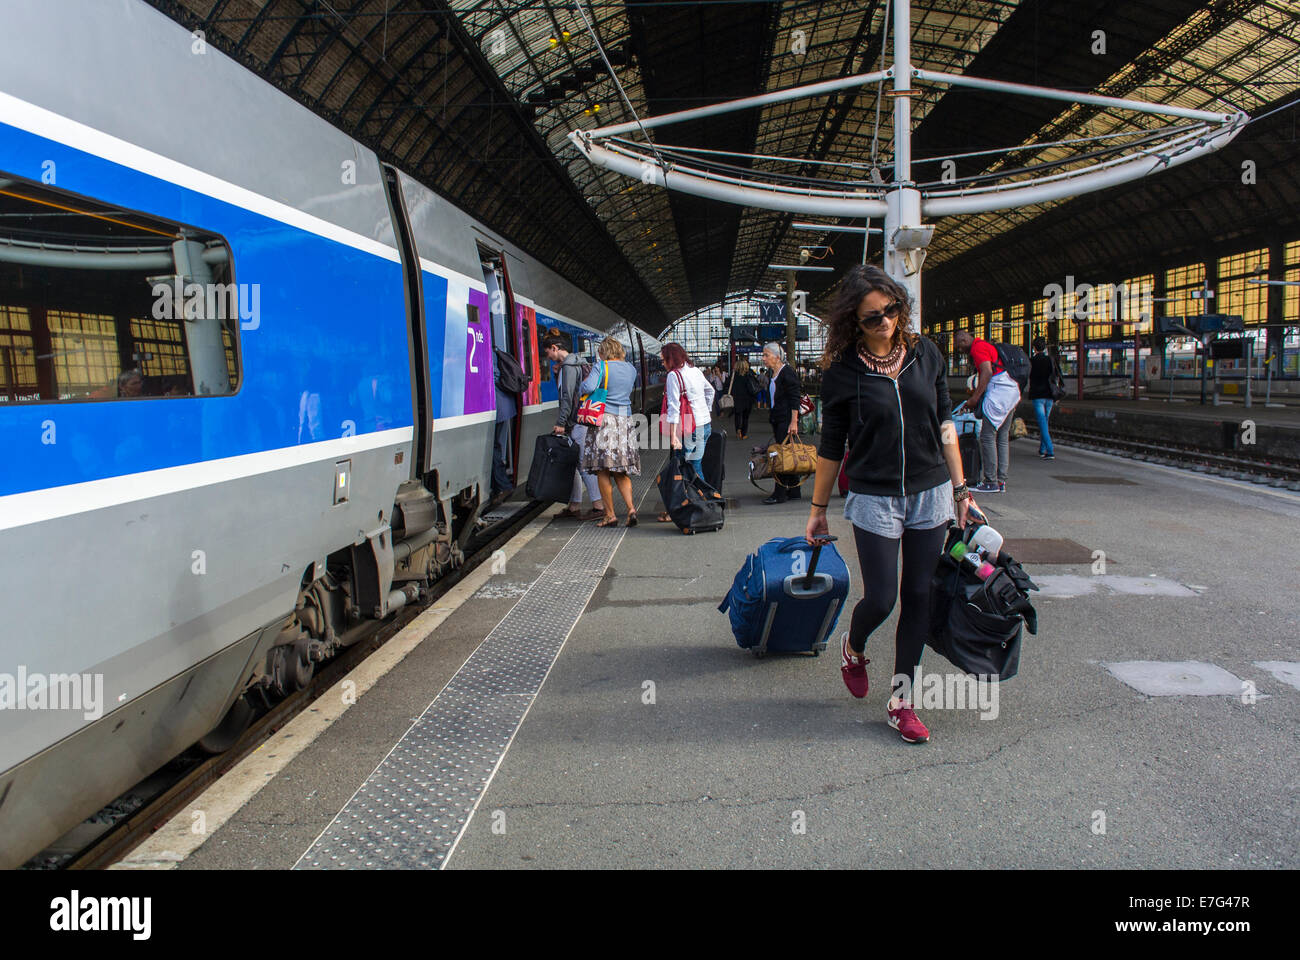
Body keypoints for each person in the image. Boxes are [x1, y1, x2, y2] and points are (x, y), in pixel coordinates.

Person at [806, 264, 980, 745]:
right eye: (872, 317)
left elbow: (945, 424)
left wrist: (962, 490)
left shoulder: (927, 355)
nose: (885, 321)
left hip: (931, 491)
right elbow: (831, 447)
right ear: (853, 324)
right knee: (882, 598)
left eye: (891, 310)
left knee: (919, 597)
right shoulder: (843, 374)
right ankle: (854, 646)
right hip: (874, 495)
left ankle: (903, 702)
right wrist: (818, 509)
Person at [578, 336, 641, 527]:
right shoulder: (631, 369)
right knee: (621, 470)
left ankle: (610, 515)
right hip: (625, 421)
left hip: (604, 421)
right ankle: (631, 509)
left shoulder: (601, 366)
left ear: (603, 351)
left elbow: (588, 387)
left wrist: (581, 387)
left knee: (602, 469)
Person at [544, 332, 605, 520]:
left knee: (582, 463)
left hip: (576, 422)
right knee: (575, 464)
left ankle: (598, 506)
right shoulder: (577, 363)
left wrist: (561, 423)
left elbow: (567, 397)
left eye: (548, 352)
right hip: (581, 419)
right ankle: (574, 505)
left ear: (555, 348)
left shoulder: (569, 367)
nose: (547, 357)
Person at [954, 329, 1021, 493]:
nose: (961, 350)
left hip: (1000, 394)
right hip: (1011, 392)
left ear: (963, 341)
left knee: (987, 436)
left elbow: (987, 372)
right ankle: (1001, 481)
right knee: (1002, 437)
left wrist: (975, 398)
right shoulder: (985, 345)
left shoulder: (978, 348)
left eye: (959, 347)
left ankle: (990, 482)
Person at [655, 342, 714, 523]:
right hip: (704, 423)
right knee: (691, 467)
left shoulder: (674, 375)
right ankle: (685, 507)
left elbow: (674, 409)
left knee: (692, 470)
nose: (662, 363)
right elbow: (710, 391)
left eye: (664, 359)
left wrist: (673, 436)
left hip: (690, 427)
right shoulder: (695, 371)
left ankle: (705, 509)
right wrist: (706, 410)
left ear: (671, 358)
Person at [759, 341, 803, 504]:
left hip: (786, 420)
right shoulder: (774, 373)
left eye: (766, 355)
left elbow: (794, 398)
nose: (763, 359)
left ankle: (779, 493)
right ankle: (794, 489)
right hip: (778, 419)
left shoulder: (787, 373)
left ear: (777, 357)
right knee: (787, 453)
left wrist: (794, 422)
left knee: (781, 456)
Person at [491, 351, 516, 503]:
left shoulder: (487, 354)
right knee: (497, 447)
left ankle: (503, 486)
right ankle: (500, 485)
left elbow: (492, 377)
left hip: (497, 407)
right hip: (504, 405)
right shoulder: (495, 352)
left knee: (493, 449)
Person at [1028, 336, 1057, 461]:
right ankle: (1041, 450)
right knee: (1045, 422)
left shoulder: (1031, 361)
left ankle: (1050, 451)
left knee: (1043, 424)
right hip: (1050, 395)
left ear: (1034, 348)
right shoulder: (1050, 360)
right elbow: (1055, 376)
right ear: (1045, 348)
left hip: (1037, 395)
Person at [722, 358, 758, 439]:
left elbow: (726, 385)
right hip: (748, 399)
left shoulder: (733, 375)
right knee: (745, 417)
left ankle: (738, 430)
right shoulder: (749, 374)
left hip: (736, 398)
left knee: (737, 415)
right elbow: (754, 386)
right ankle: (744, 433)